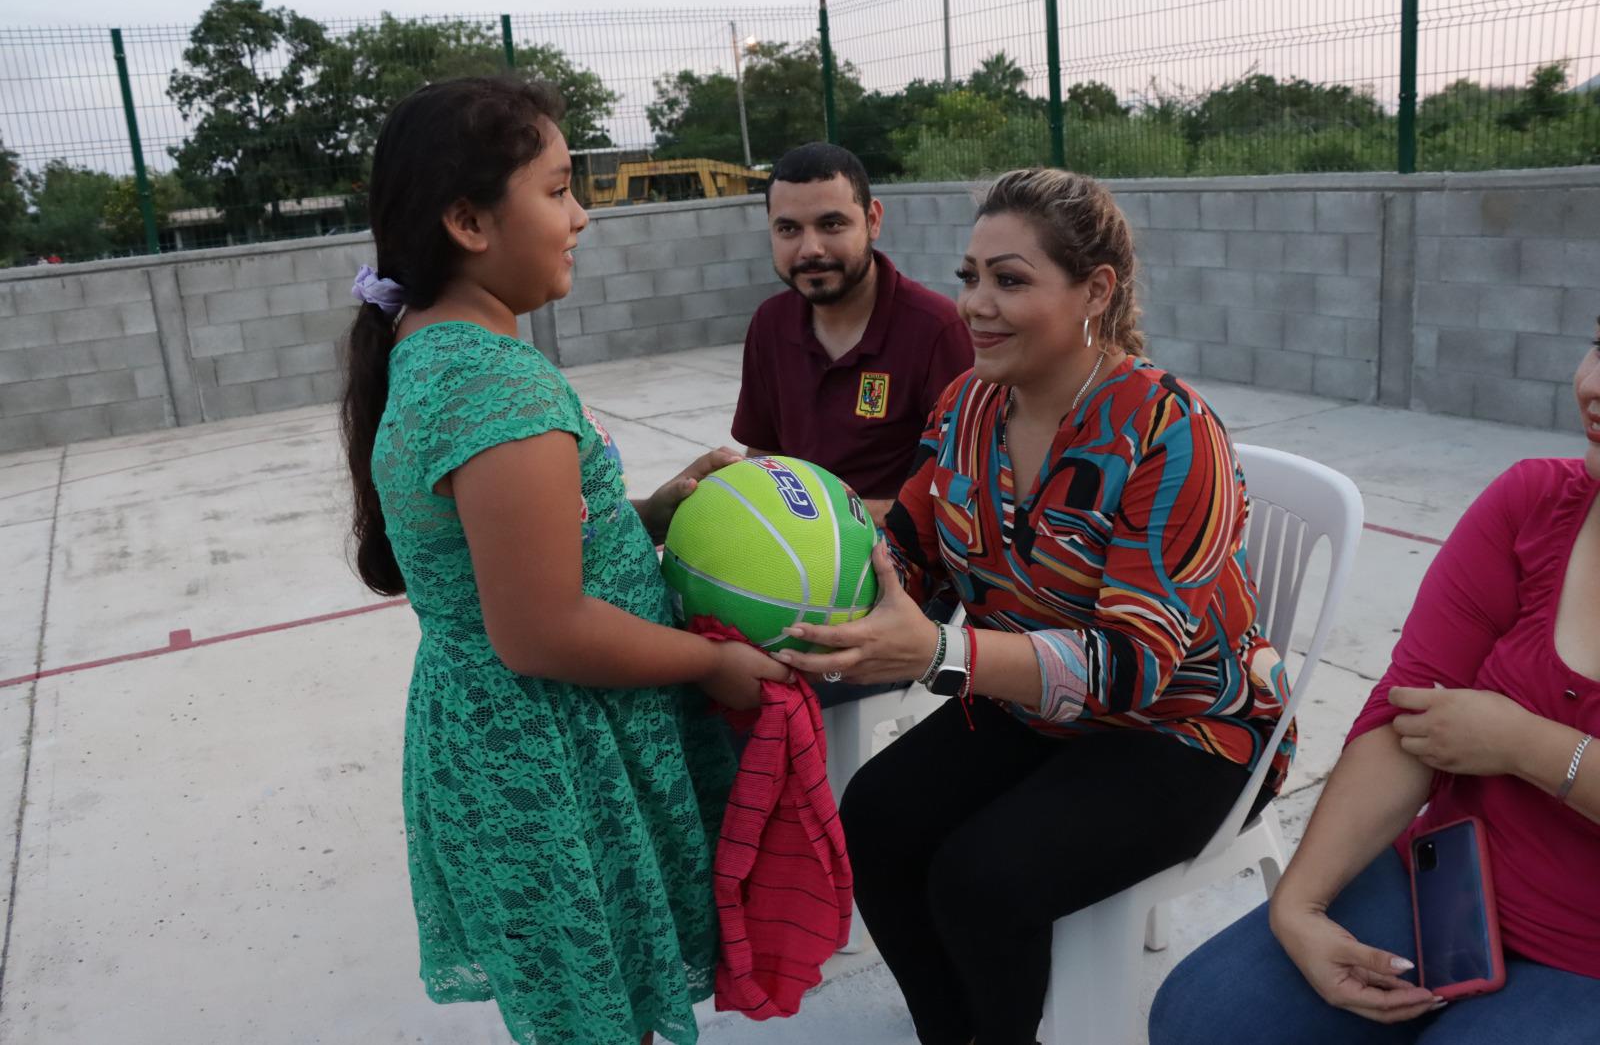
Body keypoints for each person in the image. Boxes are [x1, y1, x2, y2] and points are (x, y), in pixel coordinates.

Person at [778, 167, 1295, 1045]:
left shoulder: (1170, 430)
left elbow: (1134, 668)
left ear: (1096, 291)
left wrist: (945, 657)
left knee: (983, 880)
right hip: (1034, 706)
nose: (976, 304)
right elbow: (912, 551)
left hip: (1186, 730)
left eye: (1010, 280)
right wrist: (783, 587)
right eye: (969, 277)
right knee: (872, 818)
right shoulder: (969, 406)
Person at [338, 76, 788, 1045]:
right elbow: (542, 627)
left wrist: (648, 515)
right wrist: (713, 663)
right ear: (467, 220)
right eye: (555, 190)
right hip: (550, 755)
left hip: (510, 738)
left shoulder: (436, 356)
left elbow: (516, 548)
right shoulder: (494, 389)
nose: (581, 216)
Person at [1148, 327, 1600, 1044]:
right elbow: (1406, 714)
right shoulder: (1534, 503)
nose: (1591, 384)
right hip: (1455, 883)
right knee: (1205, 1016)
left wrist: (1525, 745)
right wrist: (1299, 906)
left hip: (1586, 957)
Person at [733, 142, 974, 529]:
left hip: (900, 563)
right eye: (788, 229)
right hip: (796, 553)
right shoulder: (770, 323)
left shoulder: (936, 329)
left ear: (873, 220)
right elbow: (762, 460)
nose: (810, 249)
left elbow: (970, 485)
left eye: (831, 225)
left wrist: (852, 518)